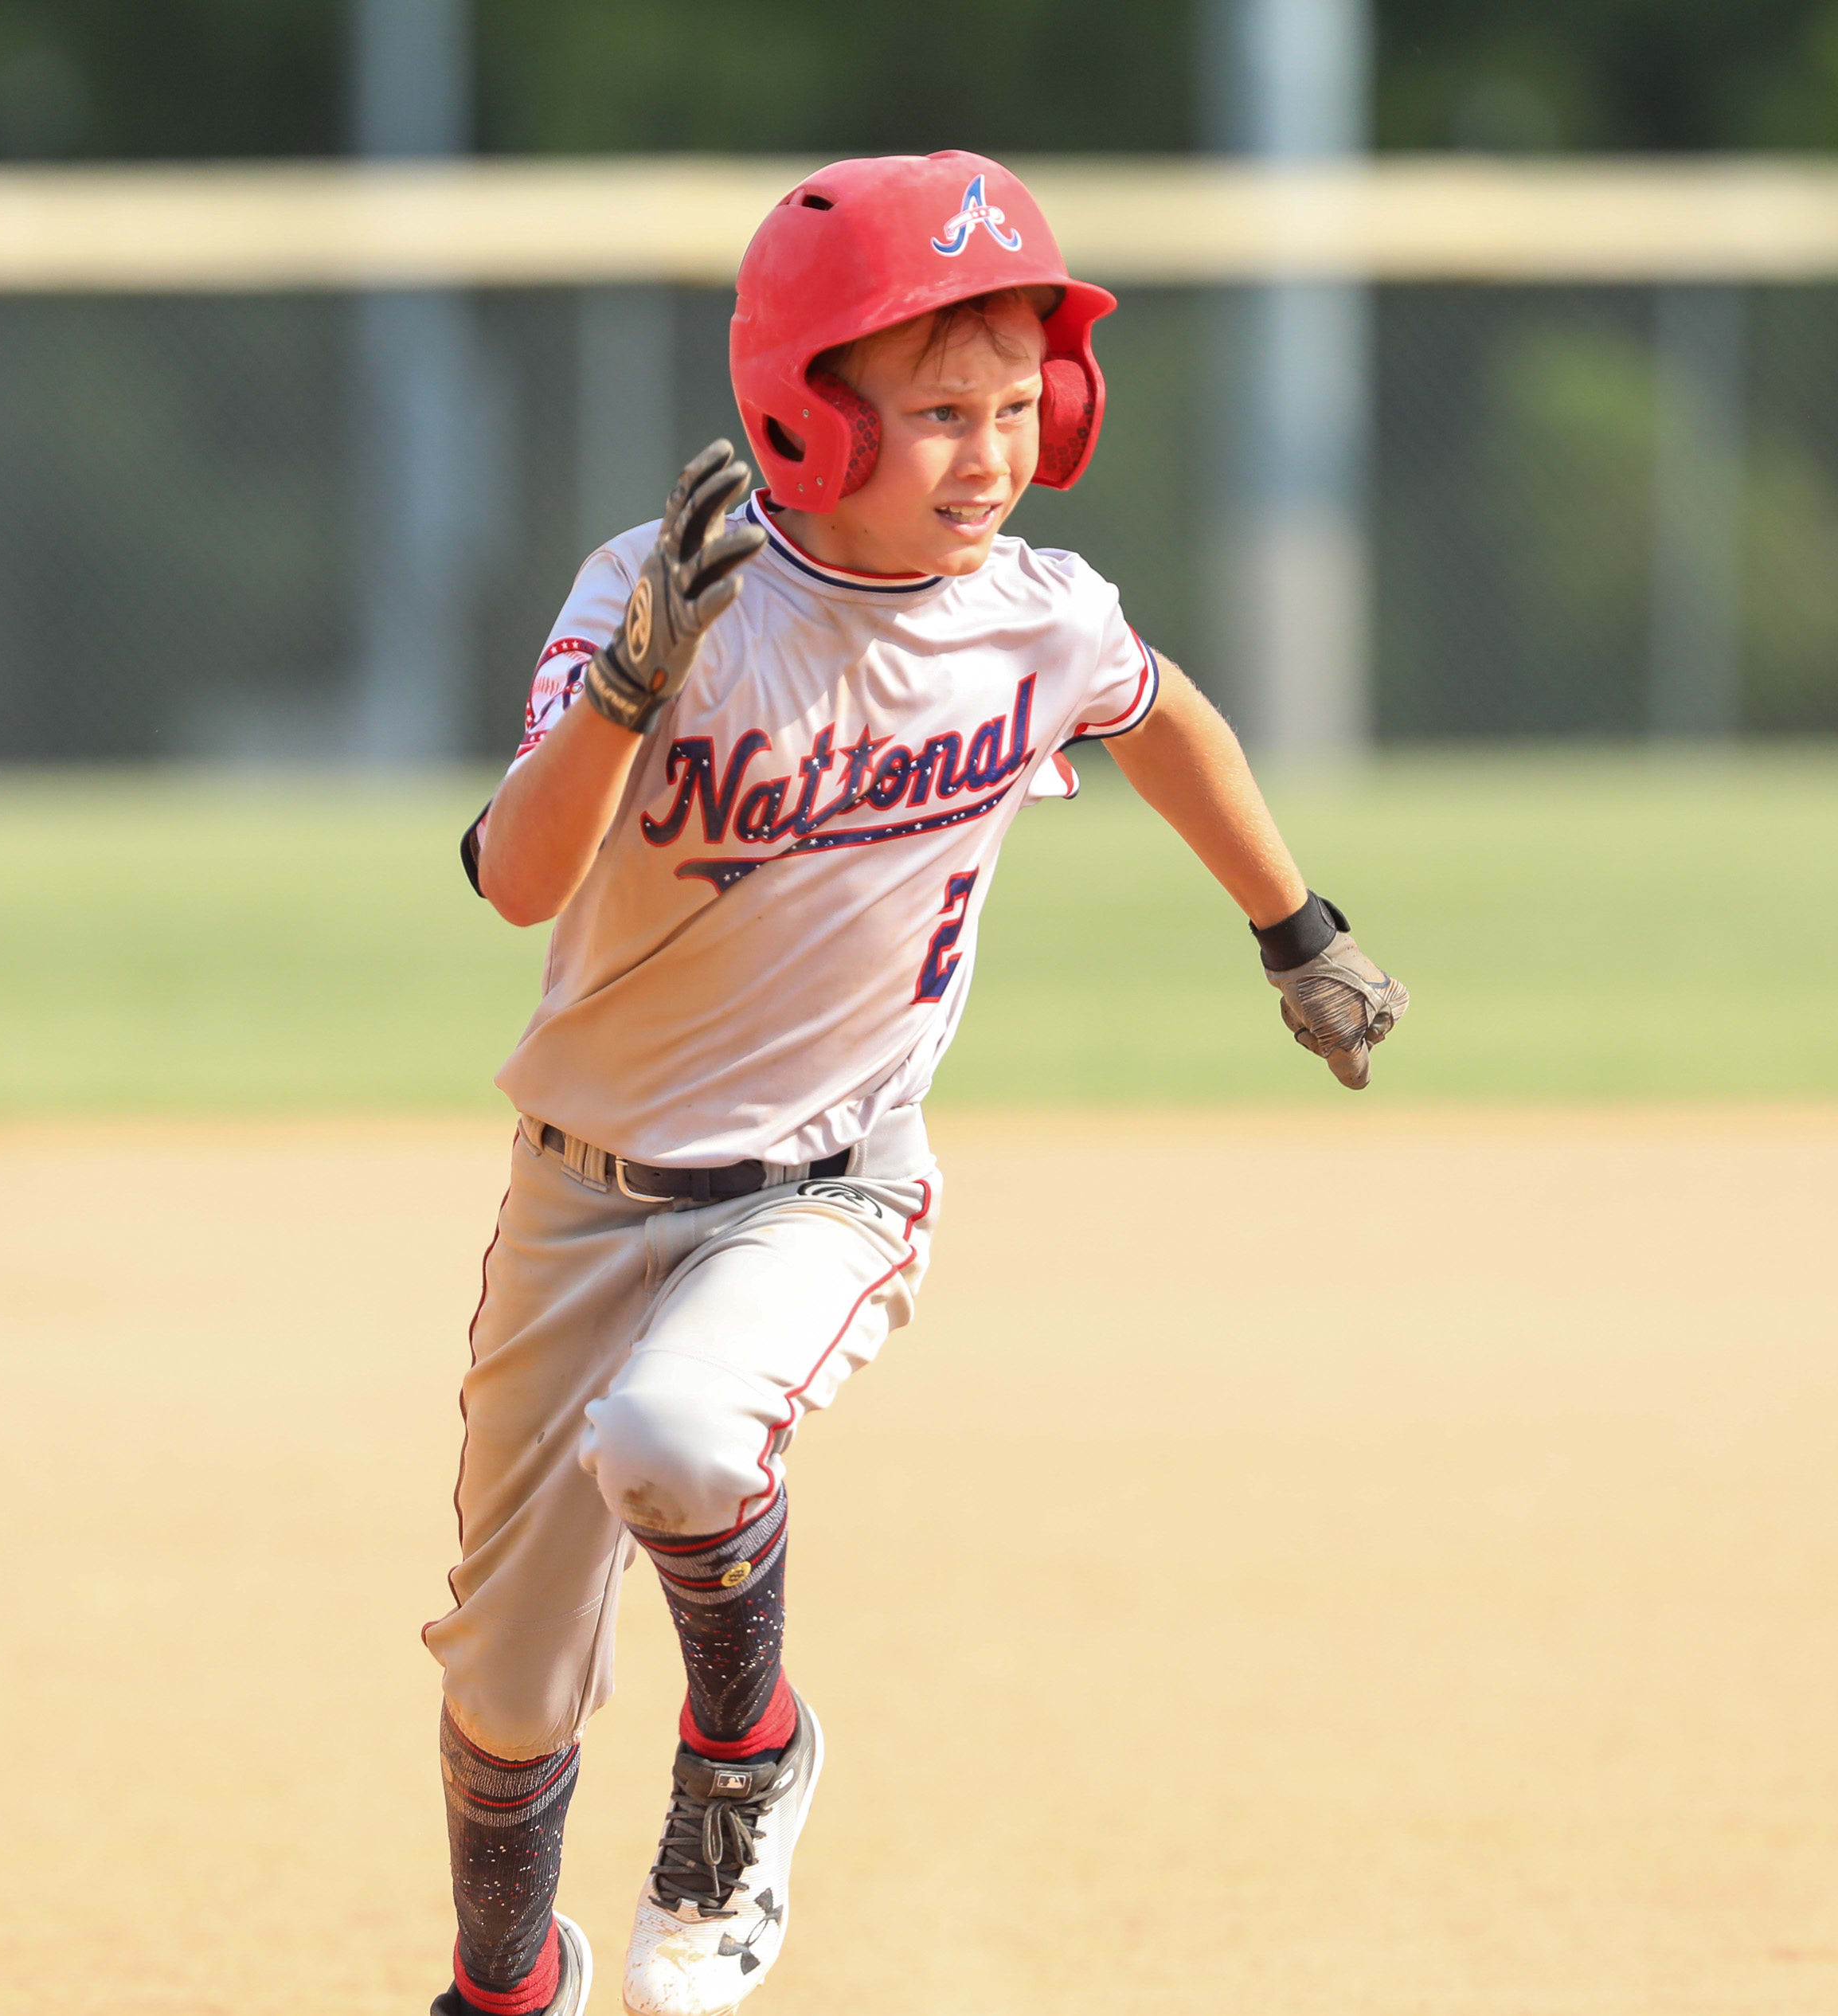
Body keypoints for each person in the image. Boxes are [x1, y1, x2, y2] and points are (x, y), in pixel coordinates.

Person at [425, 151, 1406, 2016]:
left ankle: (749, 1753)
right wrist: (633, 688)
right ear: (805, 420)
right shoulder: (664, 599)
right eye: (940, 411)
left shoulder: (1030, 616)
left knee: (686, 1439)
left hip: (827, 1186)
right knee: (502, 1688)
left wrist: (1298, 929)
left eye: (1021, 406)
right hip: (581, 1193)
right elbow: (515, 881)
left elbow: (1164, 714)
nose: (991, 453)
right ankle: (498, 1986)